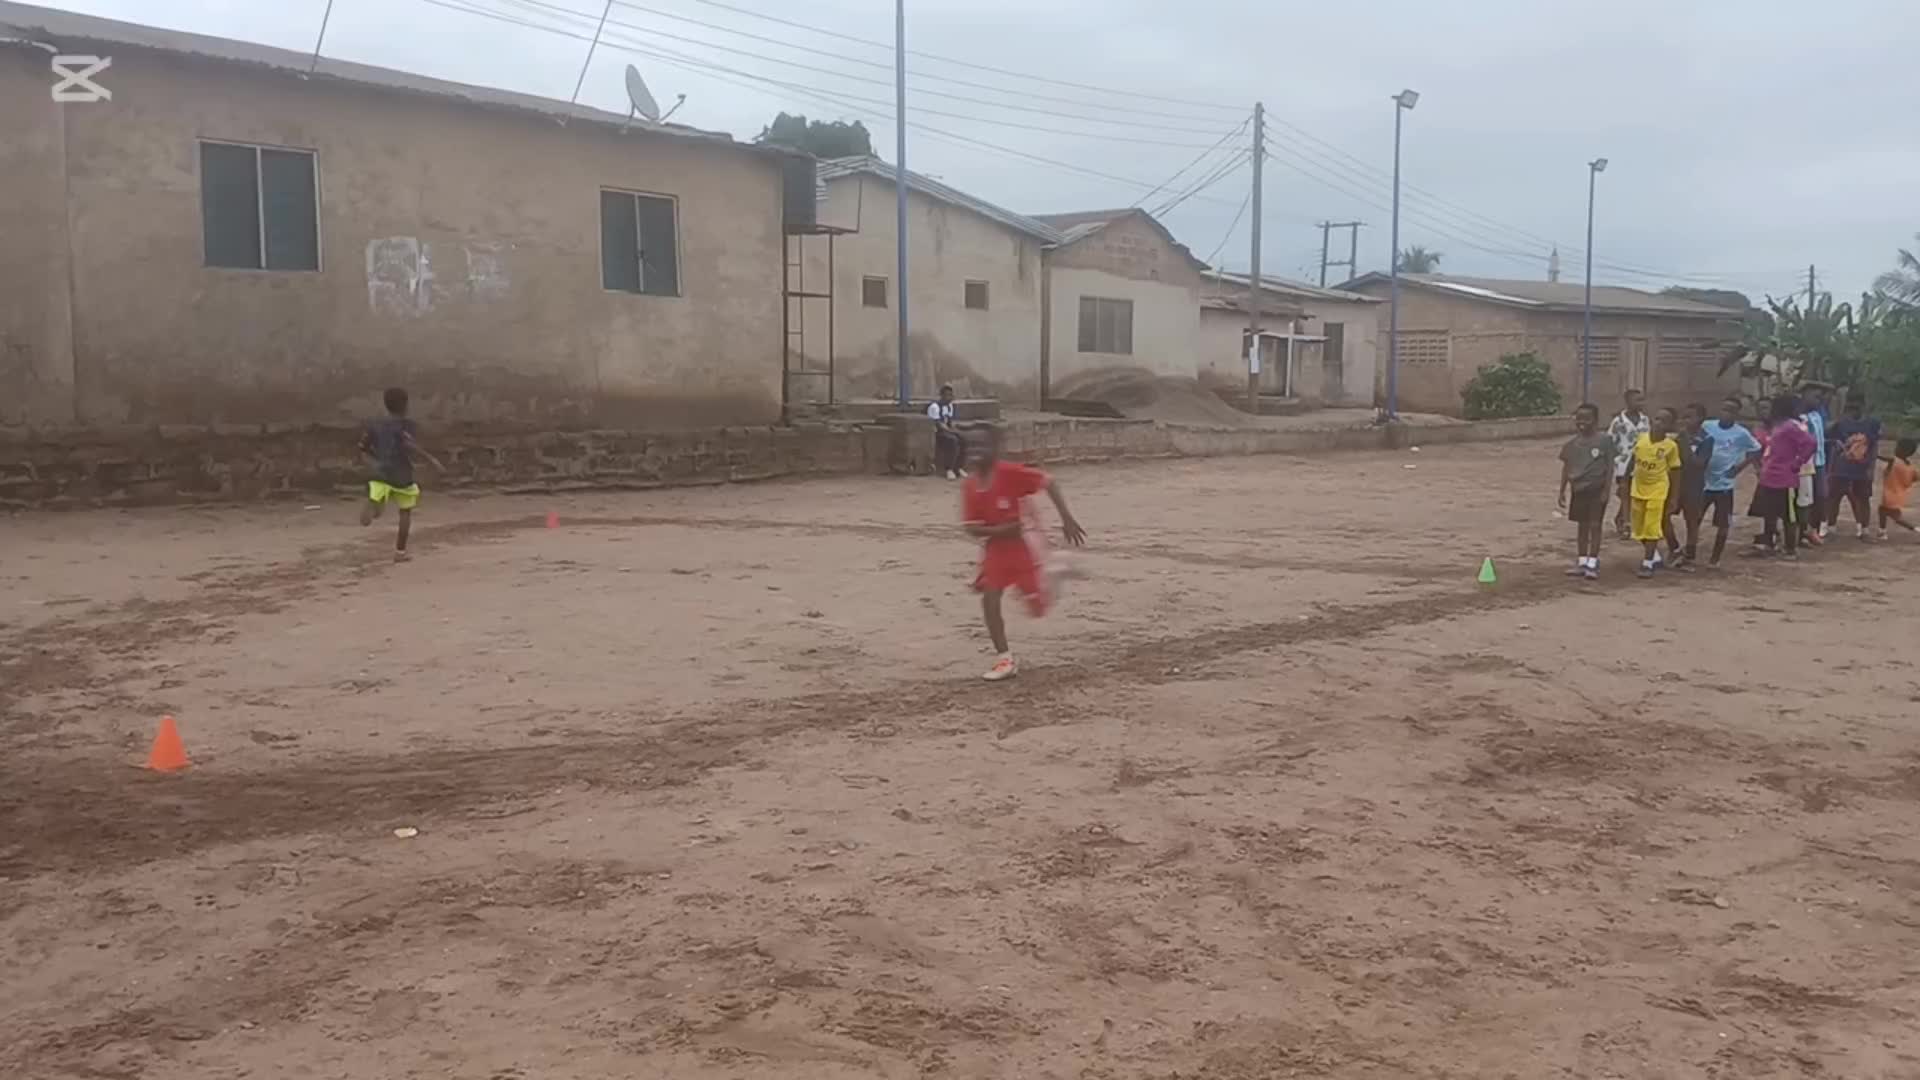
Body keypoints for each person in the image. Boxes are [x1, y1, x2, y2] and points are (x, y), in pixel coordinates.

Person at [960, 428, 1086, 681]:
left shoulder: (1010, 473)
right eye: (971, 447)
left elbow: (1048, 482)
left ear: (994, 450)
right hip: (996, 550)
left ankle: (1057, 571)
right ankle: (1004, 659)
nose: (975, 452)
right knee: (989, 599)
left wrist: (1067, 518)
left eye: (981, 446)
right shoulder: (970, 486)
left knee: (1038, 609)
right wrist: (1000, 530)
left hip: (1024, 547)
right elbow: (971, 528)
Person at [358, 387, 444, 562]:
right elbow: (409, 445)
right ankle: (400, 552)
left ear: (385, 404)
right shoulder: (406, 425)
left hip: (380, 472)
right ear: (405, 405)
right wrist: (431, 460)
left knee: (377, 492)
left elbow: (362, 448)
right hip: (401, 475)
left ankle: (374, 502)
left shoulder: (374, 424)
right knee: (405, 512)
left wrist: (372, 463)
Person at [1745, 394, 1817, 559]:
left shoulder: (1790, 426)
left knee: (1788, 515)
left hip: (1785, 478)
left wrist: (1797, 462)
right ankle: (1769, 544)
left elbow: (1810, 443)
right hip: (1770, 475)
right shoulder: (1779, 426)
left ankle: (1790, 548)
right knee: (1769, 513)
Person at [1696, 395, 1762, 567]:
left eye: (1731, 411)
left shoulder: (1741, 433)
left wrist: (1740, 467)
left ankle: (1715, 558)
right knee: (1695, 517)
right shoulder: (1707, 426)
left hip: (1724, 484)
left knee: (1723, 523)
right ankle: (1690, 551)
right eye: (1724, 409)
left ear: (1736, 414)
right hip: (1704, 482)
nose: (1726, 413)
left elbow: (1756, 449)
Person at [1557, 403, 1615, 580]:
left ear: (1595, 420)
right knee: (1582, 526)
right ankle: (1582, 561)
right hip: (1578, 490)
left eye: (1587, 419)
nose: (1582, 422)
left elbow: (1610, 467)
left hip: (1596, 489)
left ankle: (1592, 563)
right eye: (1579, 418)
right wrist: (1562, 491)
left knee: (1595, 525)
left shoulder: (1605, 441)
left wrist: (1606, 490)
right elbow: (1566, 468)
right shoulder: (1571, 445)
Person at [1629, 407, 1682, 578]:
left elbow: (1676, 472)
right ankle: (1655, 556)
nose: (1658, 423)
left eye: (1664, 421)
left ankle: (1647, 564)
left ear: (1670, 426)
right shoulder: (1641, 439)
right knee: (1638, 530)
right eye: (1657, 419)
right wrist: (1624, 480)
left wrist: (1674, 497)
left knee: (1651, 527)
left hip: (1658, 491)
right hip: (1637, 489)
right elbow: (1633, 460)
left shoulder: (1670, 446)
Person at [1825, 396, 1882, 540]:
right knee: (1834, 497)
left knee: (1863, 499)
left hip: (1861, 468)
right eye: (1850, 407)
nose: (1853, 410)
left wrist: (1871, 467)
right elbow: (1828, 436)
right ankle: (1831, 527)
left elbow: (1874, 446)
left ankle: (1864, 529)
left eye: (1856, 407)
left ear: (1863, 406)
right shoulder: (1840, 423)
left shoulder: (1872, 424)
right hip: (1840, 468)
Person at [1667, 403, 1711, 570]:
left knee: (1692, 520)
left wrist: (1685, 446)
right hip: (1677, 483)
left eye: (1689, 417)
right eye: (1684, 417)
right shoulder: (1680, 437)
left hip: (1694, 485)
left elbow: (1699, 464)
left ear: (1700, 418)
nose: (1685, 421)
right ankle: (1674, 547)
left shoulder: (1706, 439)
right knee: (1664, 515)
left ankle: (1690, 553)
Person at [1608, 388, 1651, 539]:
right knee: (1625, 494)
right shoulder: (1618, 422)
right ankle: (1627, 524)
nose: (1641, 403)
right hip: (1623, 464)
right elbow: (1610, 442)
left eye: (1642, 400)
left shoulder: (1645, 420)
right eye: (1637, 400)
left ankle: (1621, 518)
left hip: (1641, 463)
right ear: (1627, 401)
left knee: (1634, 495)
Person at [1797, 384, 1830, 546]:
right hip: (1805, 464)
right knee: (1805, 500)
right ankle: (1803, 531)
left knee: (1821, 496)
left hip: (1820, 462)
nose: (1819, 400)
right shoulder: (1798, 417)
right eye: (1816, 397)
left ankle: (1812, 529)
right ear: (1804, 395)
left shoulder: (1818, 414)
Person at [1880, 438, 1918, 540]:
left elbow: (1886, 459)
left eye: (1897, 447)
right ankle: (1882, 532)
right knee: (1882, 511)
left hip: (1890, 496)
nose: (1895, 449)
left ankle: (1917, 529)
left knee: (1896, 518)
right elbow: (1915, 478)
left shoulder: (1894, 461)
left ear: (1902, 450)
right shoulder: (1909, 466)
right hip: (1898, 495)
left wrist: (1874, 455)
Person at [928, 384, 962, 480]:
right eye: (948, 395)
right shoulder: (934, 407)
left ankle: (958, 468)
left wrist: (955, 429)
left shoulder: (950, 406)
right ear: (942, 396)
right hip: (936, 433)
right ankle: (949, 469)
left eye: (951, 395)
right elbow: (938, 424)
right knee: (953, 440)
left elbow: (950, 422)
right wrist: (951, 431)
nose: (950, 398)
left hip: (947, 430)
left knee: (963, 439)